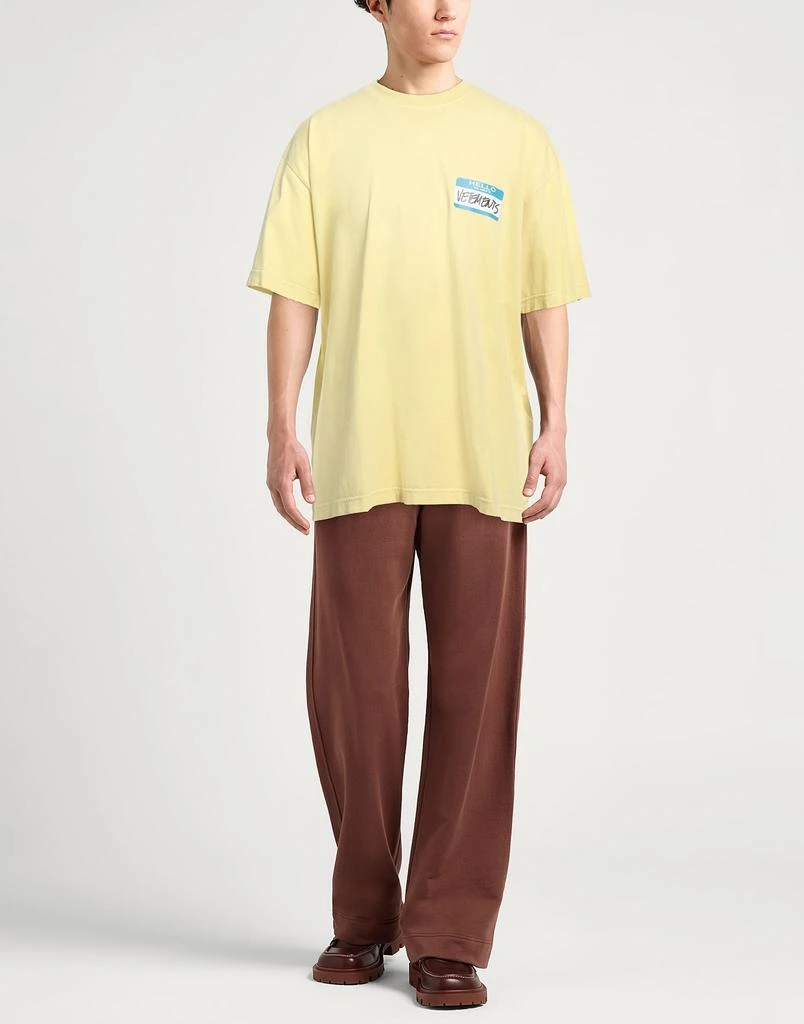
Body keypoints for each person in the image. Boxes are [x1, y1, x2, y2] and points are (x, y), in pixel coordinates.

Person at [245, 0, 590, 1009]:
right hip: (361, 448)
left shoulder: (517, 142)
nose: (448, 9)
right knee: (356, 692)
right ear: (377, 5)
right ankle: (364, 917)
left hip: (482, 455)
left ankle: (449, 934)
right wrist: (280, 426)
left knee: (474, 698)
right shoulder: (326, 140)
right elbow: (295, 294)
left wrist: (556, 421)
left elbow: (544, 292)